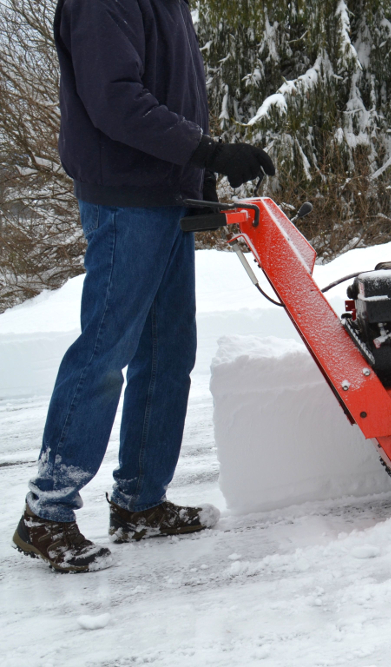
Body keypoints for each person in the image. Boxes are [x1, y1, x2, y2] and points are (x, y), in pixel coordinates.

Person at [10, 0, 275, 573]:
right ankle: (47, 512)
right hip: (124, 202)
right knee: (104, 353)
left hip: (166, 196)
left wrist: (201, 175)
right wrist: (206, 151)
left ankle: (139, 502)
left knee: (167, 354)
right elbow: (116, 102)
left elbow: (173, 93)